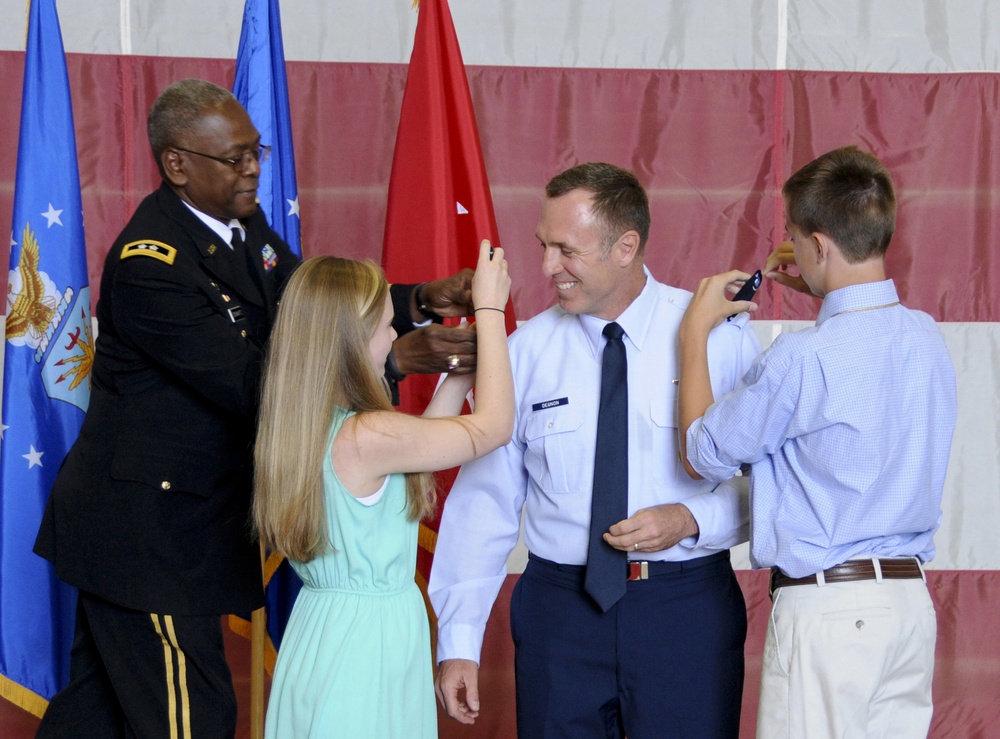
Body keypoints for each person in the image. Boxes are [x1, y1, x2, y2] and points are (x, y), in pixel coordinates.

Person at [32, 78, 478, 738]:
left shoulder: (244, 228)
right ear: (177, 164)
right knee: (192, 719)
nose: (251, 169)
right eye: (234, 158)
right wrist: (395, 358)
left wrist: (414, 302)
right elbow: (258, 384)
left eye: (255, 152)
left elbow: (313, 310)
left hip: (174, 528)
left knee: (95, 717)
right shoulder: (150, 261)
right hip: (148, 536)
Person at [428, 162, 762, 738]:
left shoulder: (717, 339)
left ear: (625, 246)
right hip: (559, 613)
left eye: (566, 250)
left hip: (684, 611)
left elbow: (772, 482)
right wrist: (458, 641)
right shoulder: (521, 353)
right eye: (543, 245)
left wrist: (689, 518)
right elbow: (484, 503)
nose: (545, 267)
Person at [679, 146, 958, 738]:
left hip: (830, 612)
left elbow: (702, 452)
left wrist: (694, 334)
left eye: (795, 237)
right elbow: (861, 337)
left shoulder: (803, 359)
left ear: (819, 245)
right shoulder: (926, 337)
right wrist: (828, 288)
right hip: (907, 609)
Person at [253, 242, 513, 738]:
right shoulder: (366, 435)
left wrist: (459, 369)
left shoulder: (315, 427)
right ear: (351, 339)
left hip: (326, 632)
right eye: (385, 322)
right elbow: (494, 427)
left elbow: (415, 456)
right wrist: (492, 310)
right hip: (363, 648)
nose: (396, 332)